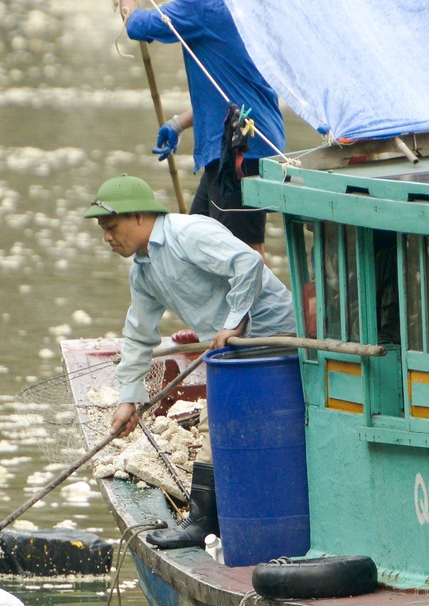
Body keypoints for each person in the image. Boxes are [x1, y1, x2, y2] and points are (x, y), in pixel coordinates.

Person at [87, 174, 295, 439]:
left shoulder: (187, 233)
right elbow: (139, 335)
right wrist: (128, 399)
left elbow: (248, 261)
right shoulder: (142, 270)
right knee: (218, 435)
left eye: (112, 227)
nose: (106, 237)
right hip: (230, 354)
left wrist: (233, 323)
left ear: (138, 216)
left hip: (276, 339)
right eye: (103, 230)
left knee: (226, 435)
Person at [115, 0, 285, 247]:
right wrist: (179, 123)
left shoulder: (203, 2)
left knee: (243, 253)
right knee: (196, 246)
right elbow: (233, 91)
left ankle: (265, 298)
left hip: (239, 149)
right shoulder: (248, 0)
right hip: (244, 143)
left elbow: (136, 24)